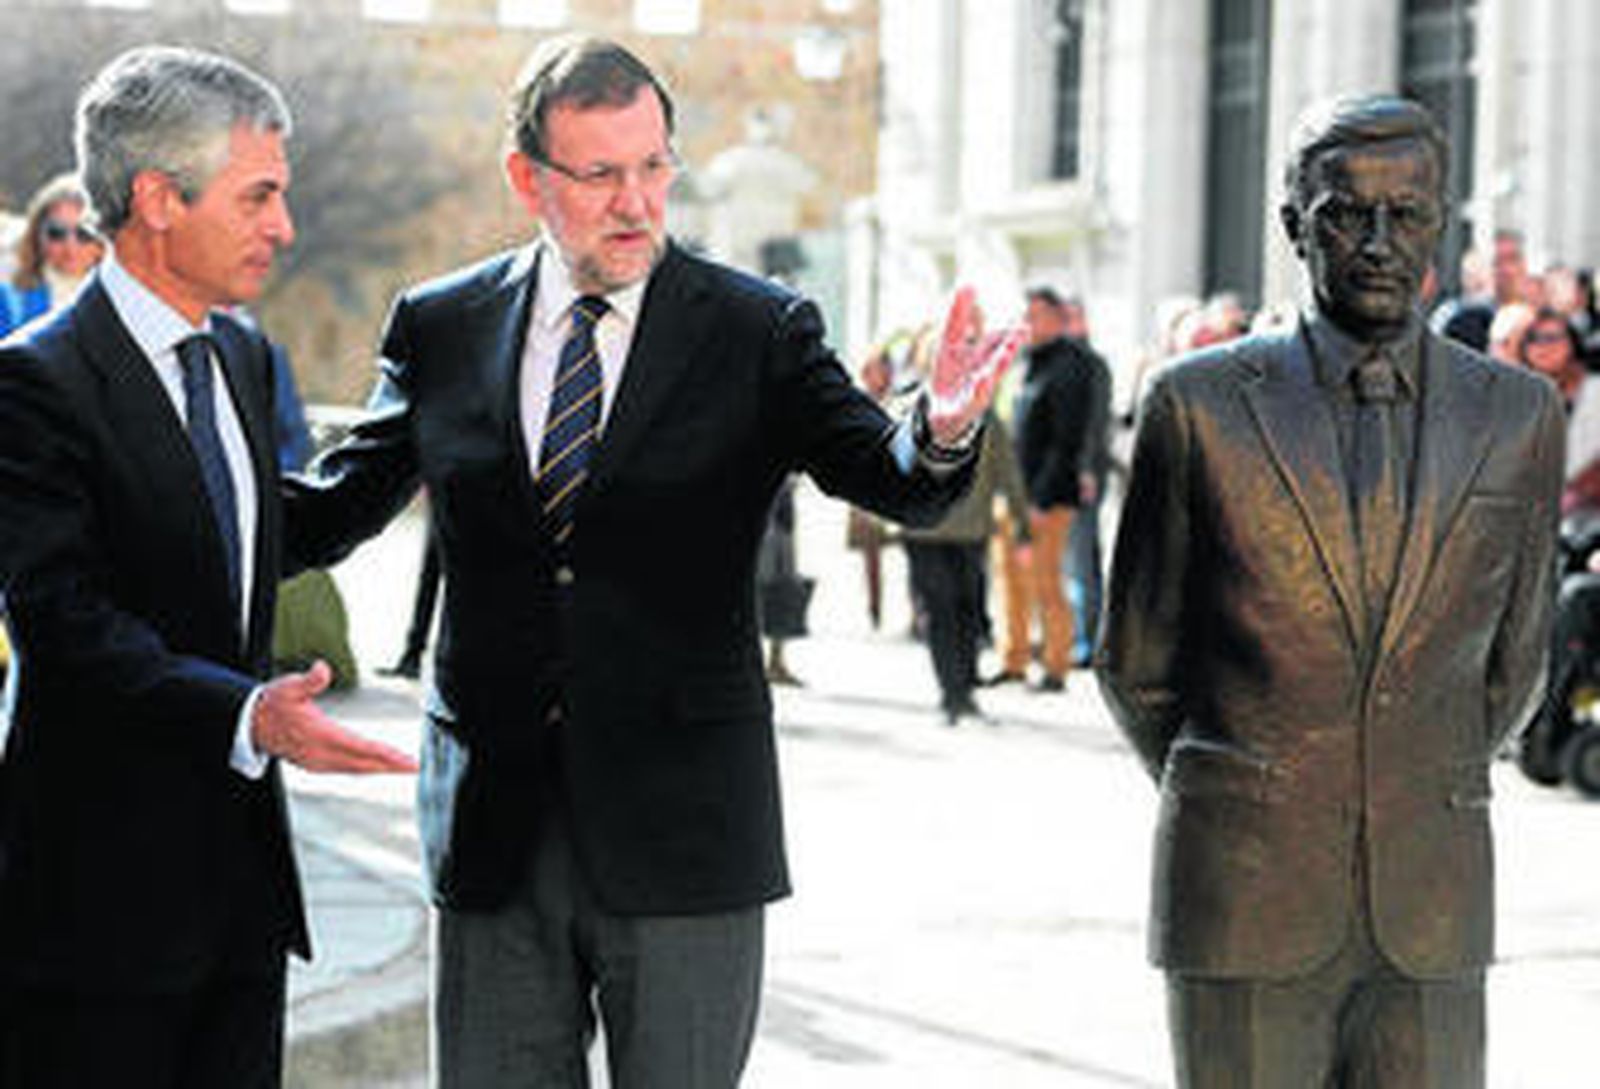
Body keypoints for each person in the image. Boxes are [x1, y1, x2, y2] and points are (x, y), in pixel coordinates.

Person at [280, 34, 1020, 1088]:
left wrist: (940, 423)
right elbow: (329, 510)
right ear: (526, 177)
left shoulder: (758, 330)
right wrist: (147, 481)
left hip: (687, 833)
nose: (635, 203)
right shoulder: (440, 326)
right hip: (495, 829)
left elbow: (888, 471)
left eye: (653, 166)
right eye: (599, 174)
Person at [1096, 94, 1562, 1088]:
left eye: (1409, 215)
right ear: (1293, 228)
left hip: (1431, 899)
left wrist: (1396, 778)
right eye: (1347, 215)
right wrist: (1254, 789)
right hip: (1243, 885)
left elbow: (1516, 659)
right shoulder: (1199, 406)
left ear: (1442, 222)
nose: (1381, 244)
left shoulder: (1517, 415)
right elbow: (1137, 663)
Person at [0, 46, 416, 1089]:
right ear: (156, 198)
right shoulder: (32, 385)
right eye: (260, 195)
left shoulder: (237, 355)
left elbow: (270, 529)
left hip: (241, 905)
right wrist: (248, 715)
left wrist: (433, 409)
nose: (283, 225)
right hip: (96, 914)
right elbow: (66, 619)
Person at [1001, 285, 1097, 691]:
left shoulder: (1072, 365)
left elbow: (1066, 441)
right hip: (1015, 491)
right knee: (1010, 577)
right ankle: (1014, 659)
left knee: (1045, 579)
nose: (1028, 323)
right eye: (1026, 314)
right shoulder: (1026, 363)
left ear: (1058, 319)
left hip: (1047, 497)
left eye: (1037, 315)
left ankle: (1056, 664)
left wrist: (1040, 498)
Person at [0, 173, 104, 338]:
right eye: (56, 232)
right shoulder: (8, 301)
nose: (71, 246)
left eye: (85, 233)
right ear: (37, 235)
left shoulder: (124, 300)